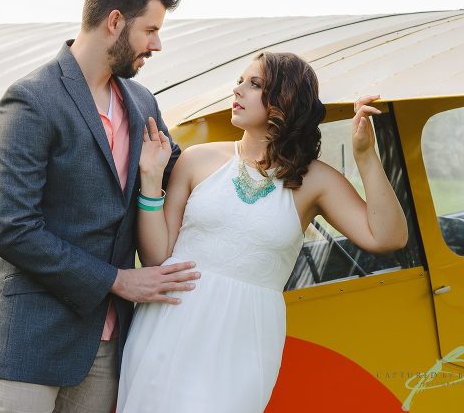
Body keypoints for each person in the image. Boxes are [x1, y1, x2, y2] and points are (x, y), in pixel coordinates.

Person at [117, 51, 409, 412]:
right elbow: (157, 257)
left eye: (254, 84)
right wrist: (149, 178)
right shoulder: (197, 160)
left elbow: (388, 237)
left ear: (284, 101)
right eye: (239, 81)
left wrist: (366, 155)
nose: (237, 90)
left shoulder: (315, 180)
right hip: (172, 320)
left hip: (247, 336)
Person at [0, 0, 201, 413]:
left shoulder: (142, 102)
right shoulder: (31, 99)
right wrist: (118, 280)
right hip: (29, 342)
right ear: (114, 21)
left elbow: (180, 176)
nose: (157, 44)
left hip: (107, 345)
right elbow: (14, 228)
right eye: (150, 30)